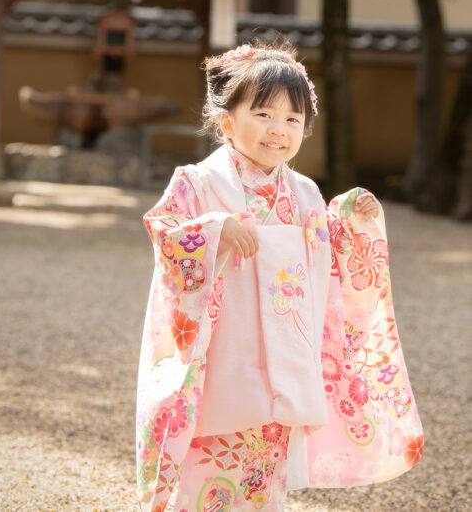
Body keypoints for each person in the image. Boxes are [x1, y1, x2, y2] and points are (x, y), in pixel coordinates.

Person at [136, 40, 424, 512]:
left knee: (263, 472)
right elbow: (163, 228)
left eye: (293, 120)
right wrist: (213, 229)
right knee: (207, 463)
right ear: (227, 121)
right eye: (264, 114)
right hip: (223, 357)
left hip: (285, 363)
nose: (279, 130)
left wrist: (351, 222)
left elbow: (330, 261)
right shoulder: (196, 182)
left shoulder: (305, 192)